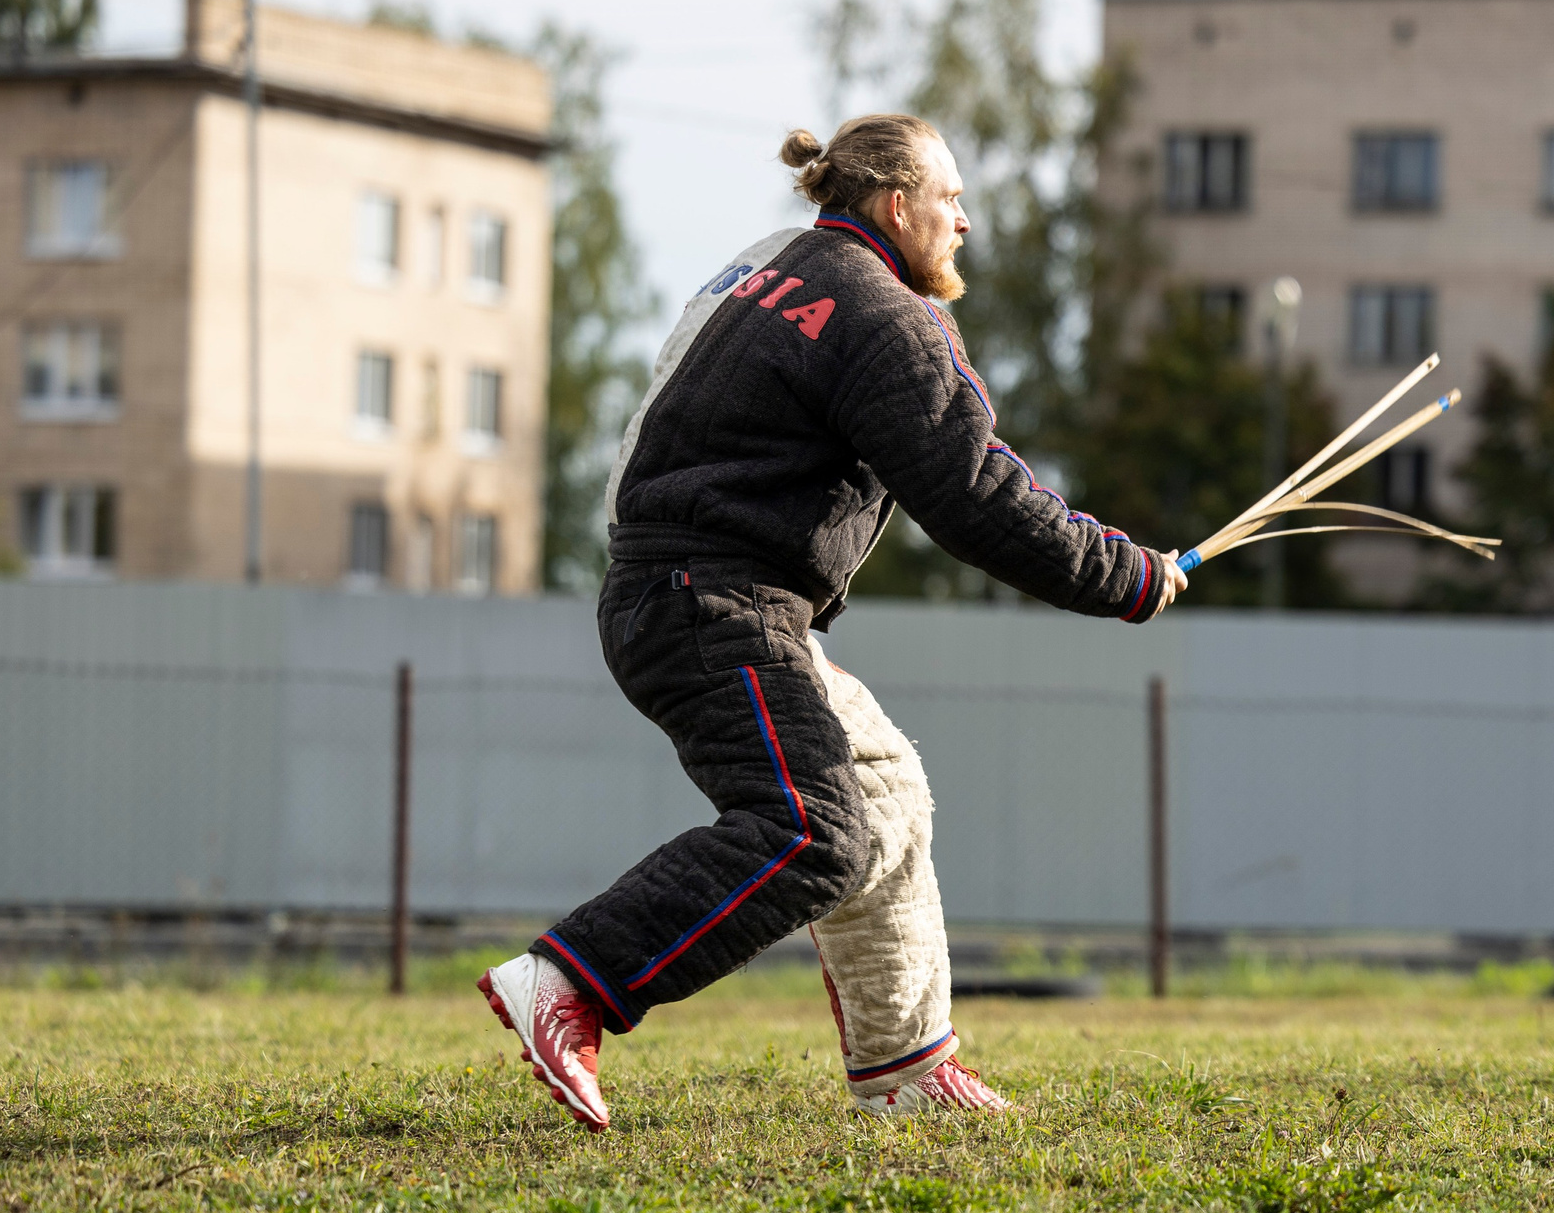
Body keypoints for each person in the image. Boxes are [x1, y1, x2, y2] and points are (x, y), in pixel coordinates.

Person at [477, 113, 1185, 1127]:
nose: (965, 223)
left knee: (885, 791)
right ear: (896, 208)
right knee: (810, 832)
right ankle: (573, 983)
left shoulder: (766, 265)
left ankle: (905, 1067)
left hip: (666, 584)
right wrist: (1126, 576)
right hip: (717, 605)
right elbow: (975, 495)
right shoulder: (887, 318)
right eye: (950, 201)